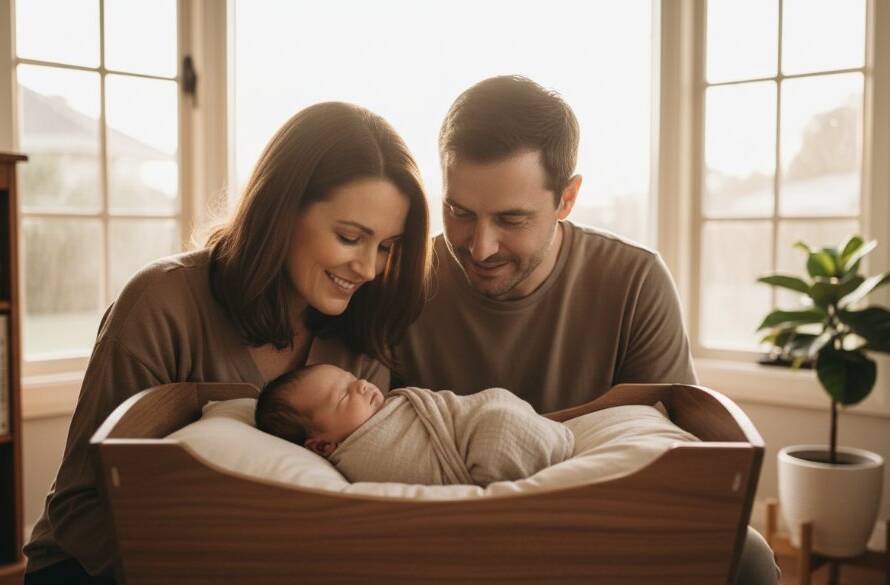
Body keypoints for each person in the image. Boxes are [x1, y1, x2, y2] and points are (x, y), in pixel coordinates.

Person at [390, 75, 780, 585]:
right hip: (437, 524)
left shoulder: (635, 279)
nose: (480, 247)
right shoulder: (401, 278)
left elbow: (672, 459)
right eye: (460, 212)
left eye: (511, 219)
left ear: (567, 198)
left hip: (600, 523)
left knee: (746, 555)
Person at [23, 102, 431, 584]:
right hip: (95, 567)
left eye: (386, 247)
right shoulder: (161, 304)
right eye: (349, 237)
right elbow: (80, 505)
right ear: (282, 211)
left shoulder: (364, 334)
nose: (368, 268)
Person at [255, 363, 574, 486]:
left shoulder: (386, 410)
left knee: (496, 408)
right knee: (500, 425)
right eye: (342, 396)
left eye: (352, 379)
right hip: (488, 433)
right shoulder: (362, 457)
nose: (362, 385)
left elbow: (453, 413)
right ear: (322, 445)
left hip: (476, 417)